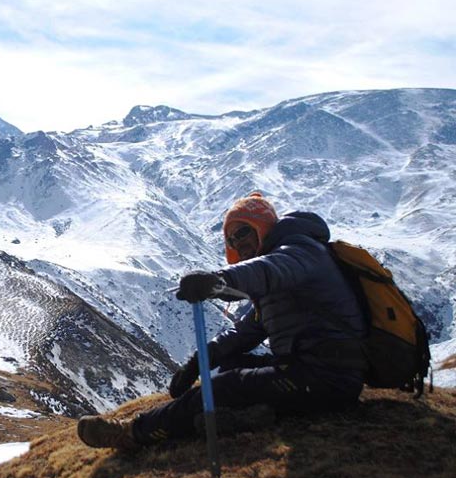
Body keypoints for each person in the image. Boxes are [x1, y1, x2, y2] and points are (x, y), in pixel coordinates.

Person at [78, 192, 367, 450]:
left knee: (224, 387)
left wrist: (220, 281)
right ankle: (250, 418)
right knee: (232, 366)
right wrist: (197, 361)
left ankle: (129, 433)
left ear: (263, 226)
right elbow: (247, 331)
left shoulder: (298, 252)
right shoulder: (287, 271)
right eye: (231, 239)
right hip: (313, 371)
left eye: (243, 232)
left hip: (326, 378)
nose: (238, 243)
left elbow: (266, 271)